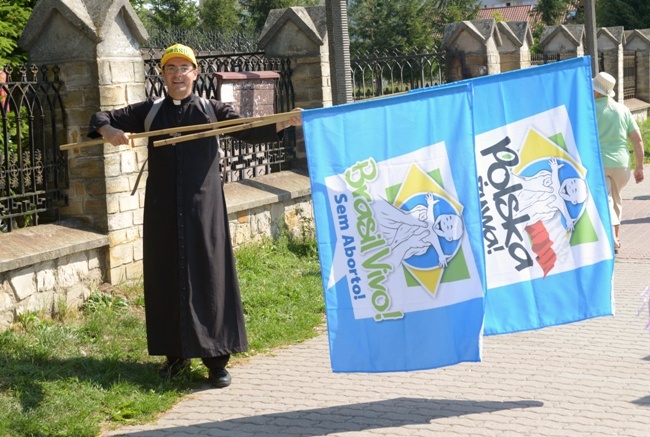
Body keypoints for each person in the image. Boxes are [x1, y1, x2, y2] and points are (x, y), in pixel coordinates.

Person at [88, 43, 302, 388]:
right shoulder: (150, 111)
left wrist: (284, 122)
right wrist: (108, 131)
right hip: (162, 210)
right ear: (162, 75)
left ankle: (216, 361)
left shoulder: (211, 109)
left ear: (195, 73)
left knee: (210, 275)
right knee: (166, 278)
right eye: (170, 69)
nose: (177, 75)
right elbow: (101, 117)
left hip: (204, 209)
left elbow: (248, 128)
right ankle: (174, 359)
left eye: (183, 68)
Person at [592, 71, 645, 253]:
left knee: (606, 199)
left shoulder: (590, 109)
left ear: (598, 92)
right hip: (622, 165)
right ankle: (616, 238)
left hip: (600, 163)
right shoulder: (623, 110)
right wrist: (639, 167)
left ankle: (612, 238)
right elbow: (637, 140)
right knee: (616, 200)